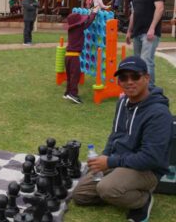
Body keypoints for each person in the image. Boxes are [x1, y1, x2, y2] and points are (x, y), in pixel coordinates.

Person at [72, 55, 173, 222]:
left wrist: (110, 162)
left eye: (135, 76)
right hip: (121, 161)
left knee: (106, 188)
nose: (129, 81)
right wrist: (103, 160)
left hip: (147, 169)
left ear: (146, 78)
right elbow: (115, 135)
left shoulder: (158, 114)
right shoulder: (122, 103)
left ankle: (143, 201)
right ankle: (117, 190)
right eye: (123, 77)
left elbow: (151, 157)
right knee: (80, 195)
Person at [126, 0, 165, 87]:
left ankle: (150, 88)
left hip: (149, 33)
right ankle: (141, 87)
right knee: (138, 62)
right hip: (137, 33)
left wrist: (152, 28)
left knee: (147, 60)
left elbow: (160, 8)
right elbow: (134, 13)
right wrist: (129, 31)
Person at [63, 7, 98, 104]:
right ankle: (73, 94)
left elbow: (85, 21)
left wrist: (90, 12)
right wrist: (94, 13)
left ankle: (67, 92)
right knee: (75, 76)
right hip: (74, 56)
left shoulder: (72, 29)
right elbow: (88, 22)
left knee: (70, 76)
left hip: (67, 56)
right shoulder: (79, 28)